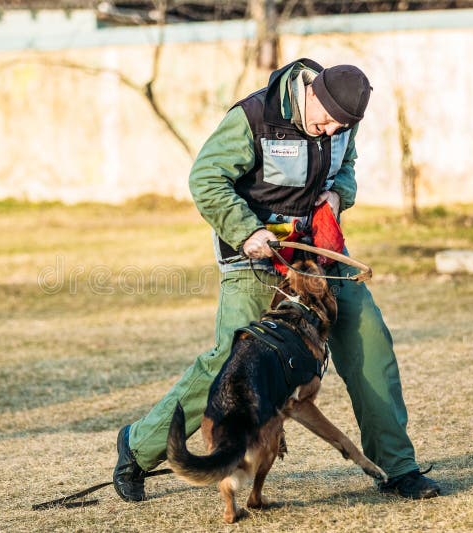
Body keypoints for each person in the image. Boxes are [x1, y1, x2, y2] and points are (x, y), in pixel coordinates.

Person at [113, 58, 441, 501]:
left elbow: (347, 167)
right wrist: (247, 230)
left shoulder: (343, 120)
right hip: (255, 256)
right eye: (324, 122)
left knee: (369, 339)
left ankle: (397, 467)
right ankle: (137, 446)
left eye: (338, 129)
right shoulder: (253, 117)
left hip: (317, 252)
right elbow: (206, 178)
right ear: (312, 93)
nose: (329, 132)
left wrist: (338, 192)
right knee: (229, 362)